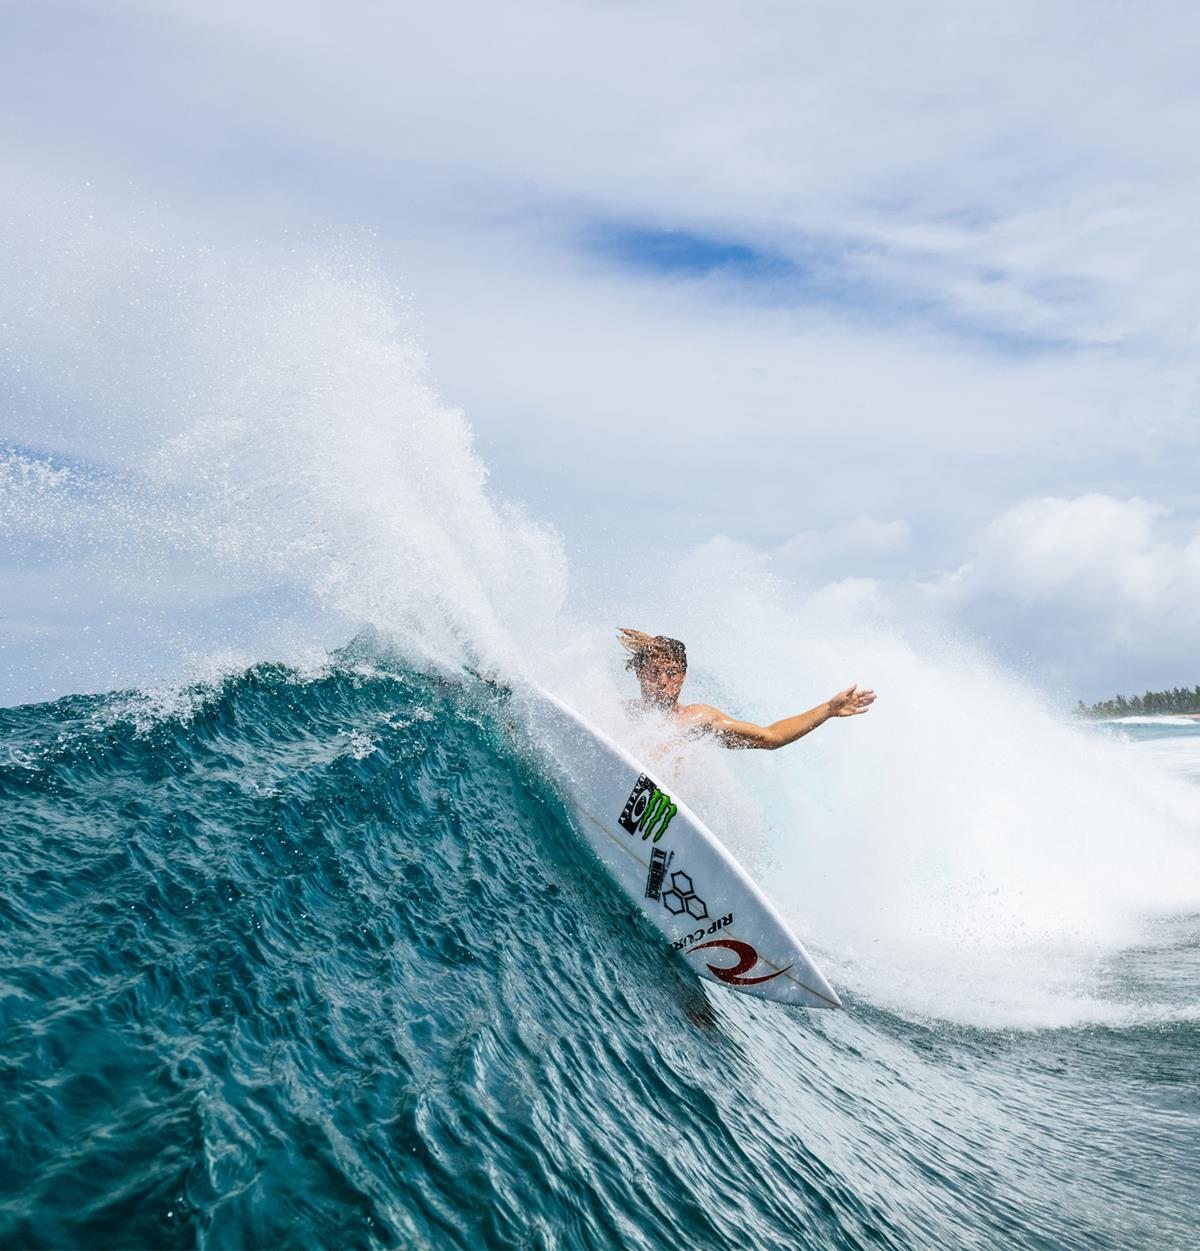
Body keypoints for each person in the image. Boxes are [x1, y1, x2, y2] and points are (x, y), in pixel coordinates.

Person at [617, 627, 875, 749]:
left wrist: (828, 709)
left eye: (671, 673)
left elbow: (770, 737)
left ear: (682, 677)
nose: (663, 681)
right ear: (640, 674)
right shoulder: (617, 714)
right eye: (654, 672)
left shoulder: (697, 719)